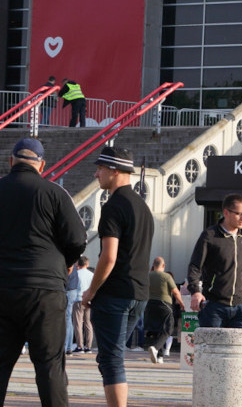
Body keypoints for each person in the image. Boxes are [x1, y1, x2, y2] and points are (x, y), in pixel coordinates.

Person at [0, 137, 86, 407]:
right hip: (45, 290)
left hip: (1, 287)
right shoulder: (54, 193)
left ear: (11, 162)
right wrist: (64, 261)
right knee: (50, 367)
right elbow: (77, 238)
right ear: (42, 165)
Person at [82, 147, 154, 407]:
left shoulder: (113, 206)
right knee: (111, 357)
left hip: (115, 294)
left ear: (114, 171)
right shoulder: (143, 207)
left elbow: (109, 256)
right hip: (140, 293)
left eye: (100, 168)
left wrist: (91, 290)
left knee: (111, 359)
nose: (96, 173)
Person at [187, 193, 242, 328]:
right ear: (226, 212)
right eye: (239, 214)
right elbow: (195, 266)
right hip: (214, 306)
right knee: (210, 349)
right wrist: (196, 292)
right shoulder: (210, 236)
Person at [145, 257, 184, 364]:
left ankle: (159, 357)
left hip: (149, 304)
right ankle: (156, 348)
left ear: (153, 265)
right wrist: (181, 303)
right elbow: (175, 292)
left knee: (156, 330)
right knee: (168, 329)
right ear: (163, 265)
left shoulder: (147, 276)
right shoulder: (166, 276)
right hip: (164, 304)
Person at [72, 256, 95, 354]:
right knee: (88, 323)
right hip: (89, 300)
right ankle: (88, 346)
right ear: (87, 264)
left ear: (78, 264)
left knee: (78, 324)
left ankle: (79, 346)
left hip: (78, 299)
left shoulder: (75, 274)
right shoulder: (92, 274)